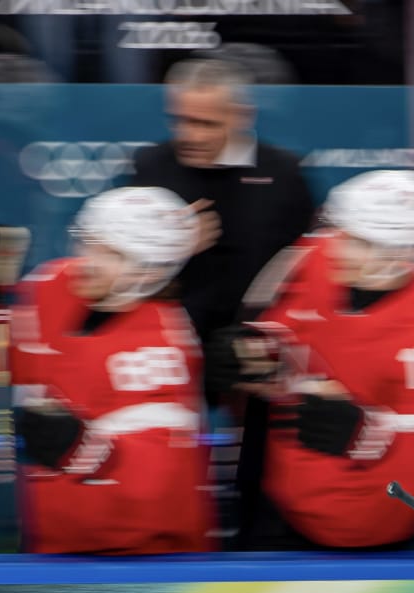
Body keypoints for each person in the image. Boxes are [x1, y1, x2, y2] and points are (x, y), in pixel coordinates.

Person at [223, 171, 414, 550]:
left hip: (367, 529)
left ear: (404, 253)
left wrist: (367, 435)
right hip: (282, 503)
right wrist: (254, 354)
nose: (337, 247)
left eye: (358, 242)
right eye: (342, 232)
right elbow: (285, 328)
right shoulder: (318, 256)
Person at [128, 57, 315, 545]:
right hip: (169, 355)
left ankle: (257, 563)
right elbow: (110, 271)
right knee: (161, 474)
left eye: (205, 123)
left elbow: (309, 270)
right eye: (179, 119)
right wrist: (170, 248)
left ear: (241, 115)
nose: (188, 134)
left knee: (263, 481)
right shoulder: (149, 168)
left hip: (258, 358)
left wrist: (269, 343)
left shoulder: (284, 174)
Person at [7, 187, 213, 554]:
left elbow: (159, 475)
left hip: (142, 555)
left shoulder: (162, 346)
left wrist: (82, 448)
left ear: (150, 269)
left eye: (112, 254)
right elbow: (7, 365)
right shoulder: (53, 284)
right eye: (89, 243)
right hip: (54, 540)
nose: (88, 261)